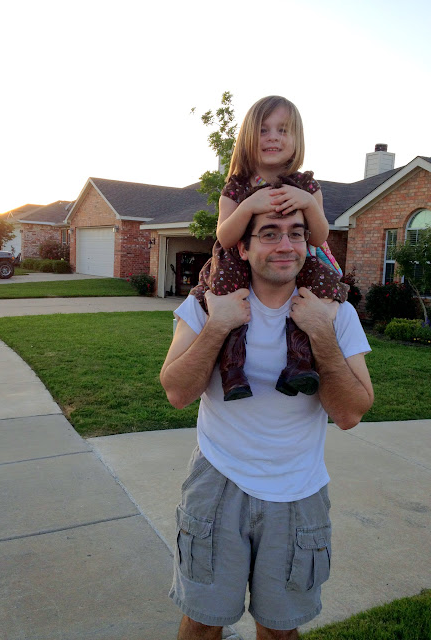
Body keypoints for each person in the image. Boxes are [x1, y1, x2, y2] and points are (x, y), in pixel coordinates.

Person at [160, 207, 374, 640]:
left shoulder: (336, 313)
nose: (285, 246)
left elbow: (350, 413)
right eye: (270, 234)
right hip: (218, 482)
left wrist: (320, 332)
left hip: (299, 491)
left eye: (296, 234)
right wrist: (219, 324)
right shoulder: (205, 303)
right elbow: (177, 393)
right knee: (202, 622)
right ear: (243, 246)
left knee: (280, 630)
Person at [190, 96, 348, 402]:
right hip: (242, 257)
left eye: (282, 130)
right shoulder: (237, 186)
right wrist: (248, 206)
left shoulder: (306, 186)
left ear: (296, 139)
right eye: (263, 130)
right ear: (248, 137)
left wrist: (307, 203)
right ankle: (232, 368)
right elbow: (225, 237)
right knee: (224, 287)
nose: (273, 137)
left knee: (323, 284)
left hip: (296, 256)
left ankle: (299, 363)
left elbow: (318, 237)